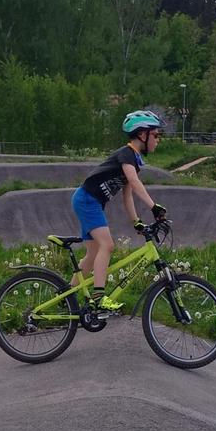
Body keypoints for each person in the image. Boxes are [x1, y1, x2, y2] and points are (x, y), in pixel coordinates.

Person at [70, 110, 168, 311]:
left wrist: (136, 221)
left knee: (93, 253)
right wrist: (154, 206)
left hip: (89, 201)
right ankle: (98, 297)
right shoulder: (126, 154)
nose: (158, 140)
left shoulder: (133, 160)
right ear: (143, 135)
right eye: (156, 135)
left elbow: (127, 195)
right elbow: (133, 181)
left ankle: (67, 297)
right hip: (88, 200)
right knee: (107, 245)